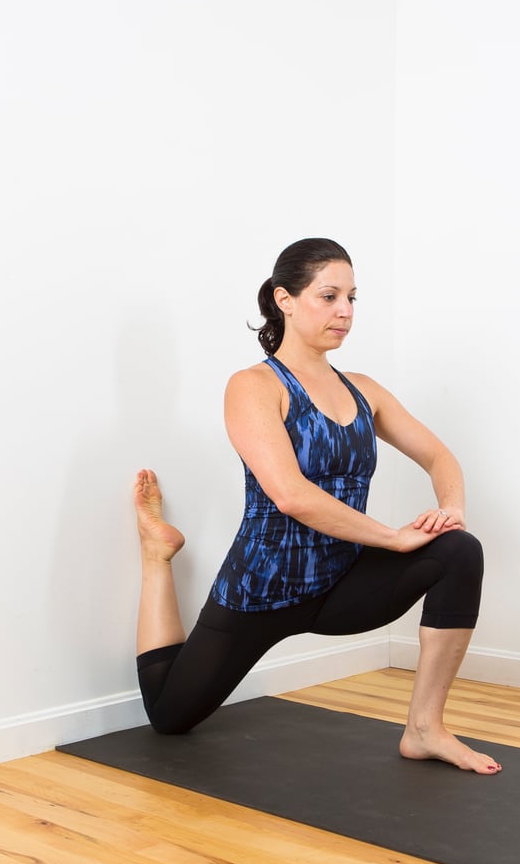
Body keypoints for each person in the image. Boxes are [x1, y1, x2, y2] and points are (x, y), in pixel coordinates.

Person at [133, 237, 501, 774]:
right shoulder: (253, 386)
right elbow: (290, 495)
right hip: (263, 588)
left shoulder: (364, 390)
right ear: (285, 299)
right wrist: (394, 537)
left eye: (352, 298)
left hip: (340, 583)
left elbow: (439, 455)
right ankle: (155, 555)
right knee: (169, 715)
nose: (345, 312)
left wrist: (451, 510)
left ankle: (425, 728)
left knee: (459, 551)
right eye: (329, 296)